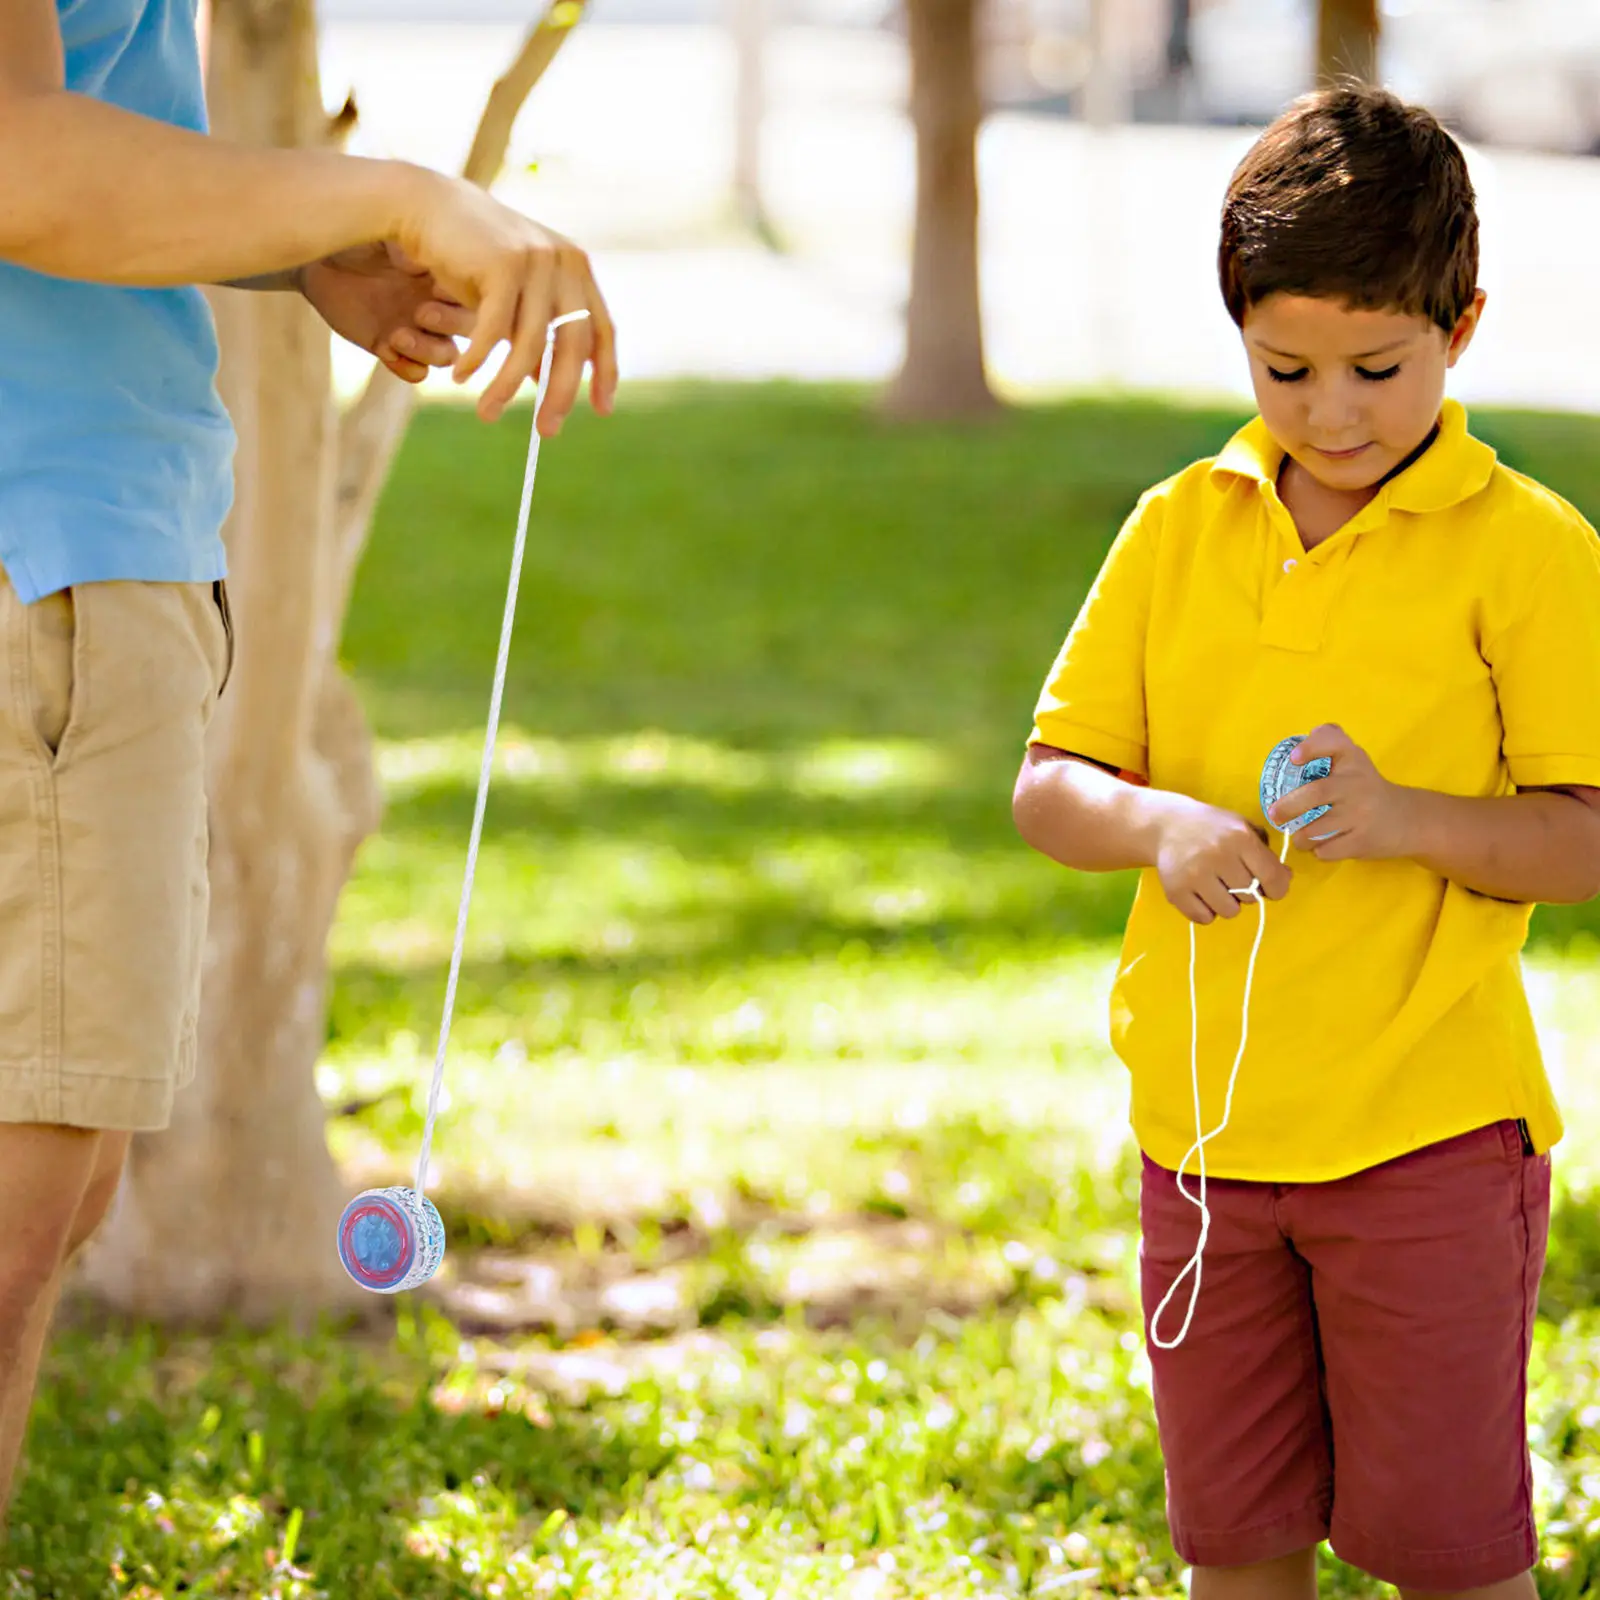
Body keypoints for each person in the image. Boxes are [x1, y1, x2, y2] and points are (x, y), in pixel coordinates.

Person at [0, 0, 617, 1530]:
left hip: (90, 546)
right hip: (41, 562)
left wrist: (285, 244)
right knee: (16, 1219)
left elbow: (74, 114)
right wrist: (387, 193)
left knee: (50, 1198)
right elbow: (17, 154)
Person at [1014, 84, 1600, 1600]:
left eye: (1377, 367)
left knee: (1450, 1557)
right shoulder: (1177, 527)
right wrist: (1159, 824)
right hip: (1202, 1151)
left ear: (1461, 324)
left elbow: (1587, 838)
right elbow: (1050, 782)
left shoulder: (1529, 552)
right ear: (1239, 334)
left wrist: (1406, 818)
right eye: (1286, 368)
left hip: (1423, 1144)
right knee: (1239, 1547)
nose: (1332, 412)